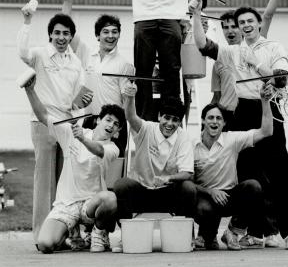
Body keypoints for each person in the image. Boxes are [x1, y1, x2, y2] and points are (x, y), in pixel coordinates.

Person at [191, 0, 288, 250]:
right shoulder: (231, 51)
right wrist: (195, 14)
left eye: (250, 20)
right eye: (241, 23)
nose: (245, 25)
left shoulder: (273, 47)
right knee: (248, 175)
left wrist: (256, 63)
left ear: (259, 23)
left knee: (279, 174)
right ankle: (252, 231)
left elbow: (281, 80)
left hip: (266, 107)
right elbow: (202, 44)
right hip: (241, 112)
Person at [22, 74, 125, 254]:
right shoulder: (73, 133)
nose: (111, 125)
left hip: (90, 206)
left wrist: (83, 139)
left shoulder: (113, 148)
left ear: (117, 132)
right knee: (45, 245)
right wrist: (30, 90)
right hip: (66, 204)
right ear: (98, 120)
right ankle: (71, 233)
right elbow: (43, 115)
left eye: (116, 125)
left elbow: (99, 151)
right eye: (108, 120)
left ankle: (97, 232)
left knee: (110, 199)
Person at [17, 5, 87, 243]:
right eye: (57, 33)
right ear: (50, 34)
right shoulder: (38, 54)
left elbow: (79, 98)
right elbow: (22, 51)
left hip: (67, 125)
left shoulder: (75, 62)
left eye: (66, 33)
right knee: (45, 182)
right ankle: (40, 235)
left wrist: (79, 124)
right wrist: (27, 21)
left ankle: (60, 235)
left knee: (64, 182)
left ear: (71, 36)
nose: (61, 37)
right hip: (43, 121)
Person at [113, 82, 196, 252]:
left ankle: (187, 236)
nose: (170, 123)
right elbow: (131, 116)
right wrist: (130, 96)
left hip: (168, 192)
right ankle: (126, 237)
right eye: (166, 117)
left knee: (189, 188)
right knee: (121, 185)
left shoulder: (183, 138)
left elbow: (187, 173)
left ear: (179, 122)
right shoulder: (147, 129)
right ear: (159, 116)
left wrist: (168, 178)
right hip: (142, 190)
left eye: (175, 120)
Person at [193, 82, 273, 251]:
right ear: (203, 121)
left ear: (223, 123)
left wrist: (265, 101)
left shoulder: (232, 139)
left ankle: (232, 232)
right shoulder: (191, 145)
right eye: (210, 118)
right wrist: (210, 192)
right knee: (204, 218)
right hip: (206, 198)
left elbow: (266, 131)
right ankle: (207, 234)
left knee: (253, 187)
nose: (214, 122)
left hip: (229, 197)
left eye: (219, 118)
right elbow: (187, 182)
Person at [61, 0, 133, 155]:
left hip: (113, 125)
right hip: (89, 121)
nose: (110, 35)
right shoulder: (86, 54)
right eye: (106, 32)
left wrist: (120, 127)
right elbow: (66, 28)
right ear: (97, 35)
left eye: (114, 32)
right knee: (85, 167)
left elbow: (127, 102)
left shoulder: (125, 64)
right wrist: (67, 2)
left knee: (112, 175)